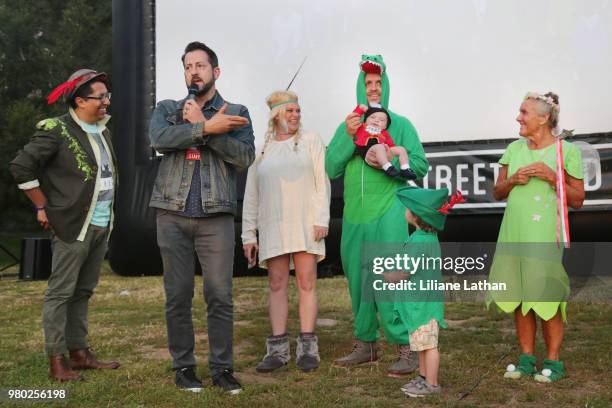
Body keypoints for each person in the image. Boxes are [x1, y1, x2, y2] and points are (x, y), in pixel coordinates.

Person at [148, 41, 255, 394]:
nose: (194, 71)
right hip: (172, 214)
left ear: (215, 72)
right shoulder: (167, 108)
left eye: (201, 65)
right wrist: (207, 129)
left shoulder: (236, 111)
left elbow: (243, 158)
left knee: (220, 295)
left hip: (216, 218)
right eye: (188, 66)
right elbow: (160, 138)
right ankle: (183, 368)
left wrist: (208, 128)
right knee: (177, 296)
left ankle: (222, 369)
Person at [9, 69, 120, 381]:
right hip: (72, 225)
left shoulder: (102, 129)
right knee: (60, 293)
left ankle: (79, 352)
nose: (106, 102)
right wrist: (41, 205)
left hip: (100, 224)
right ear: (80, 99)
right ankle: (57, 361)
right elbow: (21, 166)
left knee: (83, 291)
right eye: (100, 97)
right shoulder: (56, 129)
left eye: (107, 96)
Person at [325, 54, 429, 377]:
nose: (373, 89)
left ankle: (406, 347)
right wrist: (347, 135)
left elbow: (420, 165)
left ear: (386, 87)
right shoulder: (348, 124)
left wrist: (388, 160)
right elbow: (331, 167)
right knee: (358, 280)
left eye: (378, 83)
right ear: (360, 87)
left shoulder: (400, 124)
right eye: (368, 83)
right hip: (355, 216)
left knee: (391, 281)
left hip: (388, 211)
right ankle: (365, 345)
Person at [487, 92, 584, 382]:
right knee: (519, 295)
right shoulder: (513, 149)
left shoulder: (566, 152)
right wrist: (512, 180)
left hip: (544, 235)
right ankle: (526, 358)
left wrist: (552, 177)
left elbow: (578, 199)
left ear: (544, 118)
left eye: (524, 112)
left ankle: (553, 362)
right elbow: (497, 192)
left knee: (546, 294)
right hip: (513, 232)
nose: (518, 117)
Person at [241, 90, 330, 373]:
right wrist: (249, 234)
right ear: (276, 115)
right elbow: (251, 195)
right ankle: (277, 351)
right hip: (273, 223)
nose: (295, 115)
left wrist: (321, 219)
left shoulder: (310, 140)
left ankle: (308, 349)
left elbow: (321, 181)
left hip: (305, 223)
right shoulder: (263, 150)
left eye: (298, 111)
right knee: (277, 284)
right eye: (289, 111)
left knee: (306, 282)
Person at [394, 187, 462, 397]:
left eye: (408, 209)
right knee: (423, 344)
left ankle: (431, 384)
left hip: (422, 305)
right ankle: (423, 378)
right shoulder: (426, 238)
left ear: (416, 216)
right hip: (422, 303)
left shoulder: (419, 242)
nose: (405, 211)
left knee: (429, 345)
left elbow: (405, 272)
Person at [351, 104, 415, 179]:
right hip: (366, 150)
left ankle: (405, 168)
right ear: (365, 120)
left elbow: (391, 145)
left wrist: (391, 151)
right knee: (379, 147)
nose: (376, 120)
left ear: (385, 126)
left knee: (401, 149)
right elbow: (353, 118)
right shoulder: (361, 127)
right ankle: (387, 167)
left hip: (382, 149)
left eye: (381, 120)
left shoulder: (384, 133)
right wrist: (360, 109)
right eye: (372, 117)